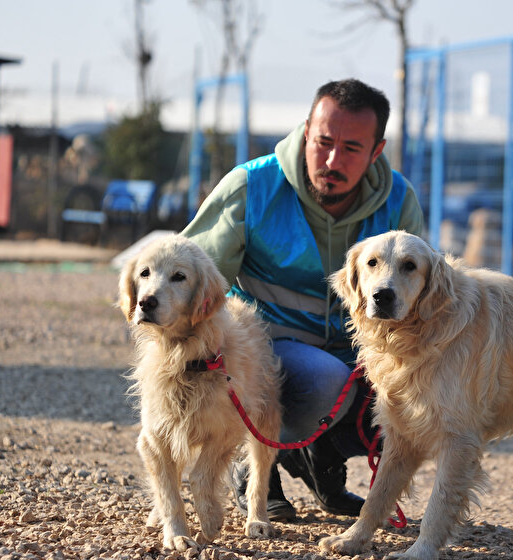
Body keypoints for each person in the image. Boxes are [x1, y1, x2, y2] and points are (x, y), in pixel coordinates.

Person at [180, 78, 424, 520]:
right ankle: (253, 468)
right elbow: (188, 280)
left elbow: (419, 303)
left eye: (351, 148)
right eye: (324, 141)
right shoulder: (251, 187)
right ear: (306, 129)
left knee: (413, 392)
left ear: (377, 150)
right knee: (327, 379)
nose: (332, 160)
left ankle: (320, 461)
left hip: (358, 354)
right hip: (262, 356)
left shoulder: (399, 201)